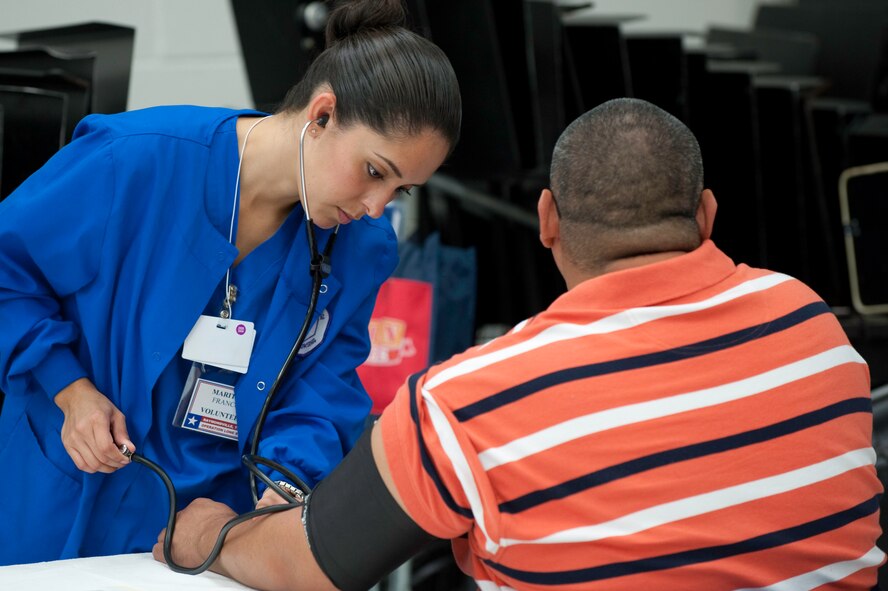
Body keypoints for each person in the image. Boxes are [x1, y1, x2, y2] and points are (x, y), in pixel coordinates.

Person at [154, 97, 885, 591]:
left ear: (546, 221)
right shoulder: (813, 326)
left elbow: (318, 560)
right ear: (706, 212)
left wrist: (210, 534)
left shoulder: (468, 402)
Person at [0, 0, 460, 566]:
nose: (375, 208)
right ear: (322, 115)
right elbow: (7, 269)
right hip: (63, 498)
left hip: (202, 533)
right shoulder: (136, 162)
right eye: (374, 172)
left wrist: (282, 489)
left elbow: (322, 391)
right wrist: (69, 389)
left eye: (400, 191)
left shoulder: (360, 249)